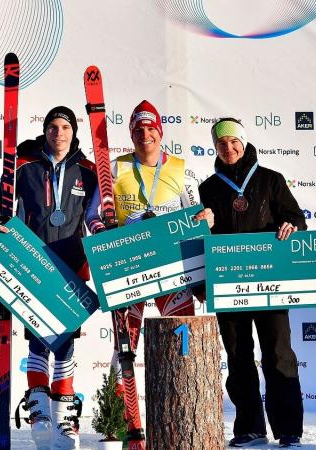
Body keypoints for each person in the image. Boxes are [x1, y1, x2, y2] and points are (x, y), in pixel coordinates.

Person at [88, 100, 213, 439]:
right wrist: (105, 234)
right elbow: (93, 216)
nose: (145, 135)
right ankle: (121, 424)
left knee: (181, 339)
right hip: (132, 270)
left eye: (150, 129)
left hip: (174, 274)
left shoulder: (183, 171)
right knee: (123, 347)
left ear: (160, 132)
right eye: (138, 130)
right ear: (131, 134)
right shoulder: (114, 170)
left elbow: (198, 217)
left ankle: (186, 415)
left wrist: (207, 220)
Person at [0, 106, 99, 450]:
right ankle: (39, 412)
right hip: (33, 265)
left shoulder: (90, 172)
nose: (58, 132)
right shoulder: (22, 166)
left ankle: (64, 417)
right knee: (37, 340)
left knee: (64, 341)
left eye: (64, 127)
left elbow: (96, 217)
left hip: (71, 268)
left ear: (73, 132)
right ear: (45, 131)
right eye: (52, 127)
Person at [197, 118, 306, 448]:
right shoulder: (208, 188)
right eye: (221, 144)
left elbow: (296, 218)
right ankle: (249, 427)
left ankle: (288, 429)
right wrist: (204, 225)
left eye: (233, 142)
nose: (228, 149)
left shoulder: (271, 180)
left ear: (243, 143)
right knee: (238, 355)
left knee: (278, 353)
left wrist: (291, 226)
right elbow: (202, 240)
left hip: (270, 283)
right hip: (229, 286)